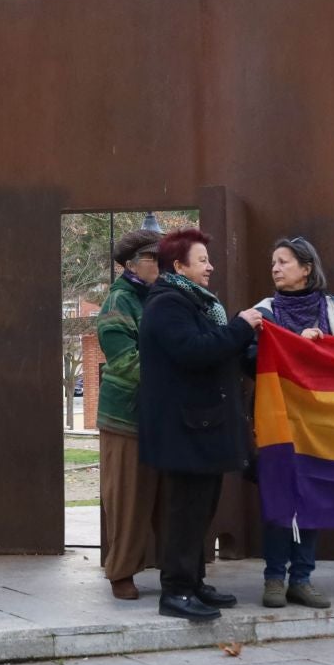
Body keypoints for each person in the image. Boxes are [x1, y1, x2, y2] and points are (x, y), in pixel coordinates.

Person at [137, 227, 264, 622]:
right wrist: (241, 327)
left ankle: (193, 582)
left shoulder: (198, 304)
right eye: (203, 260)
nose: (211, 267)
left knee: (200, 510)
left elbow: (220, 352)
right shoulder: (167, 305)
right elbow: (194, 352)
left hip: (202, 427)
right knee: (184, 513)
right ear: (179, 266)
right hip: (183, 430)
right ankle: (175, 591)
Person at [251, 236, 334, 609]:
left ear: (307, 268)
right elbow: (247, 359)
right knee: (280, 498)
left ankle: (302, 578)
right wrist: (295, 344)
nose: (276, 269)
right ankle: (273, 579)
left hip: (323, 424)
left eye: (283, 262)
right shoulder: (263, 312)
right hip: (278, 422)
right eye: (273, 264)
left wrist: (324, 346)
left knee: (312, 498)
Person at [96, 228, 166, 601]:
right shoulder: (117, 303)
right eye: (152, 257)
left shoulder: (162, 297)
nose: (160, 263)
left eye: (161, 256)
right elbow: (124, 362)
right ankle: (120, 571)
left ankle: (174, 569)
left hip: (162, 416)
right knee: (126, 498)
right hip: (125, 418)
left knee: (166, 499)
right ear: (130, 264)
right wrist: (175, 368)